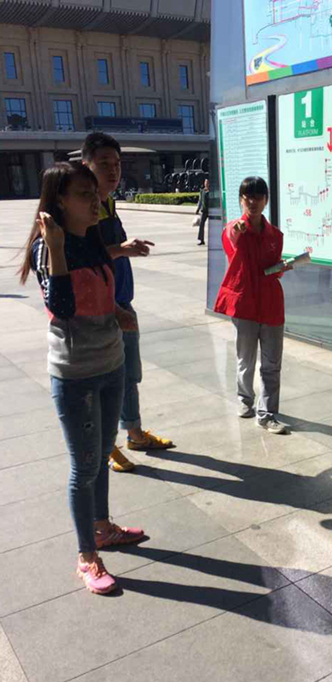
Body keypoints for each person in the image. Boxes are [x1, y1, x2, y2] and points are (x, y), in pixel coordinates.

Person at [19, 162, 146, 594]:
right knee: (84, 466)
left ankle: (103, 527)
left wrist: (118, 311)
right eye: (84, 194)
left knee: (102, 452)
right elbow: (63, 307)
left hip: (111, 363)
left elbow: (98, 293)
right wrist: (56, 246)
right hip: (75, 374)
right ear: (58, 201)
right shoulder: (48, 248)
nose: (95, 202)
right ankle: (86, 555)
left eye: (95, 194)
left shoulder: (92, 239)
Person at [81, 132, 175, 473]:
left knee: (128, 375)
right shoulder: (83, 207)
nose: (113, 170)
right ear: (86, 165)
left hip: (122, 302)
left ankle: (134, 433)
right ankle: (108, 446)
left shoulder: (107, 202)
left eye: (117, 163)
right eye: (104, 163)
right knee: (106, 381)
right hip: (101, 309)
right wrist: (120, 249)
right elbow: (80, 262)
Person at [214, 176, 292, 434]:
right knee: (245, 360)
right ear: (241, 200)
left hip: (271, 304)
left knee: (271, 364)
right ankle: (245, 399)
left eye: (258, 197)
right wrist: (237, 231)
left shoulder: (275, 235)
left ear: (266, 200)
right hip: (245, 304)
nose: (253, 202)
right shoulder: (235, 229)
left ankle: (267, 414)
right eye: (248, 197)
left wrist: (281, 267)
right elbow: (231, 239)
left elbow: (272, 267)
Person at [196, 178, 209, 245]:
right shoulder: (202, 191)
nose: (206, 184)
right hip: (204, 210)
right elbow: (200, 200)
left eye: (207, 182)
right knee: (201, 225)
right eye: (205, 182)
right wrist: (198, 209)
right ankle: (201, 240)